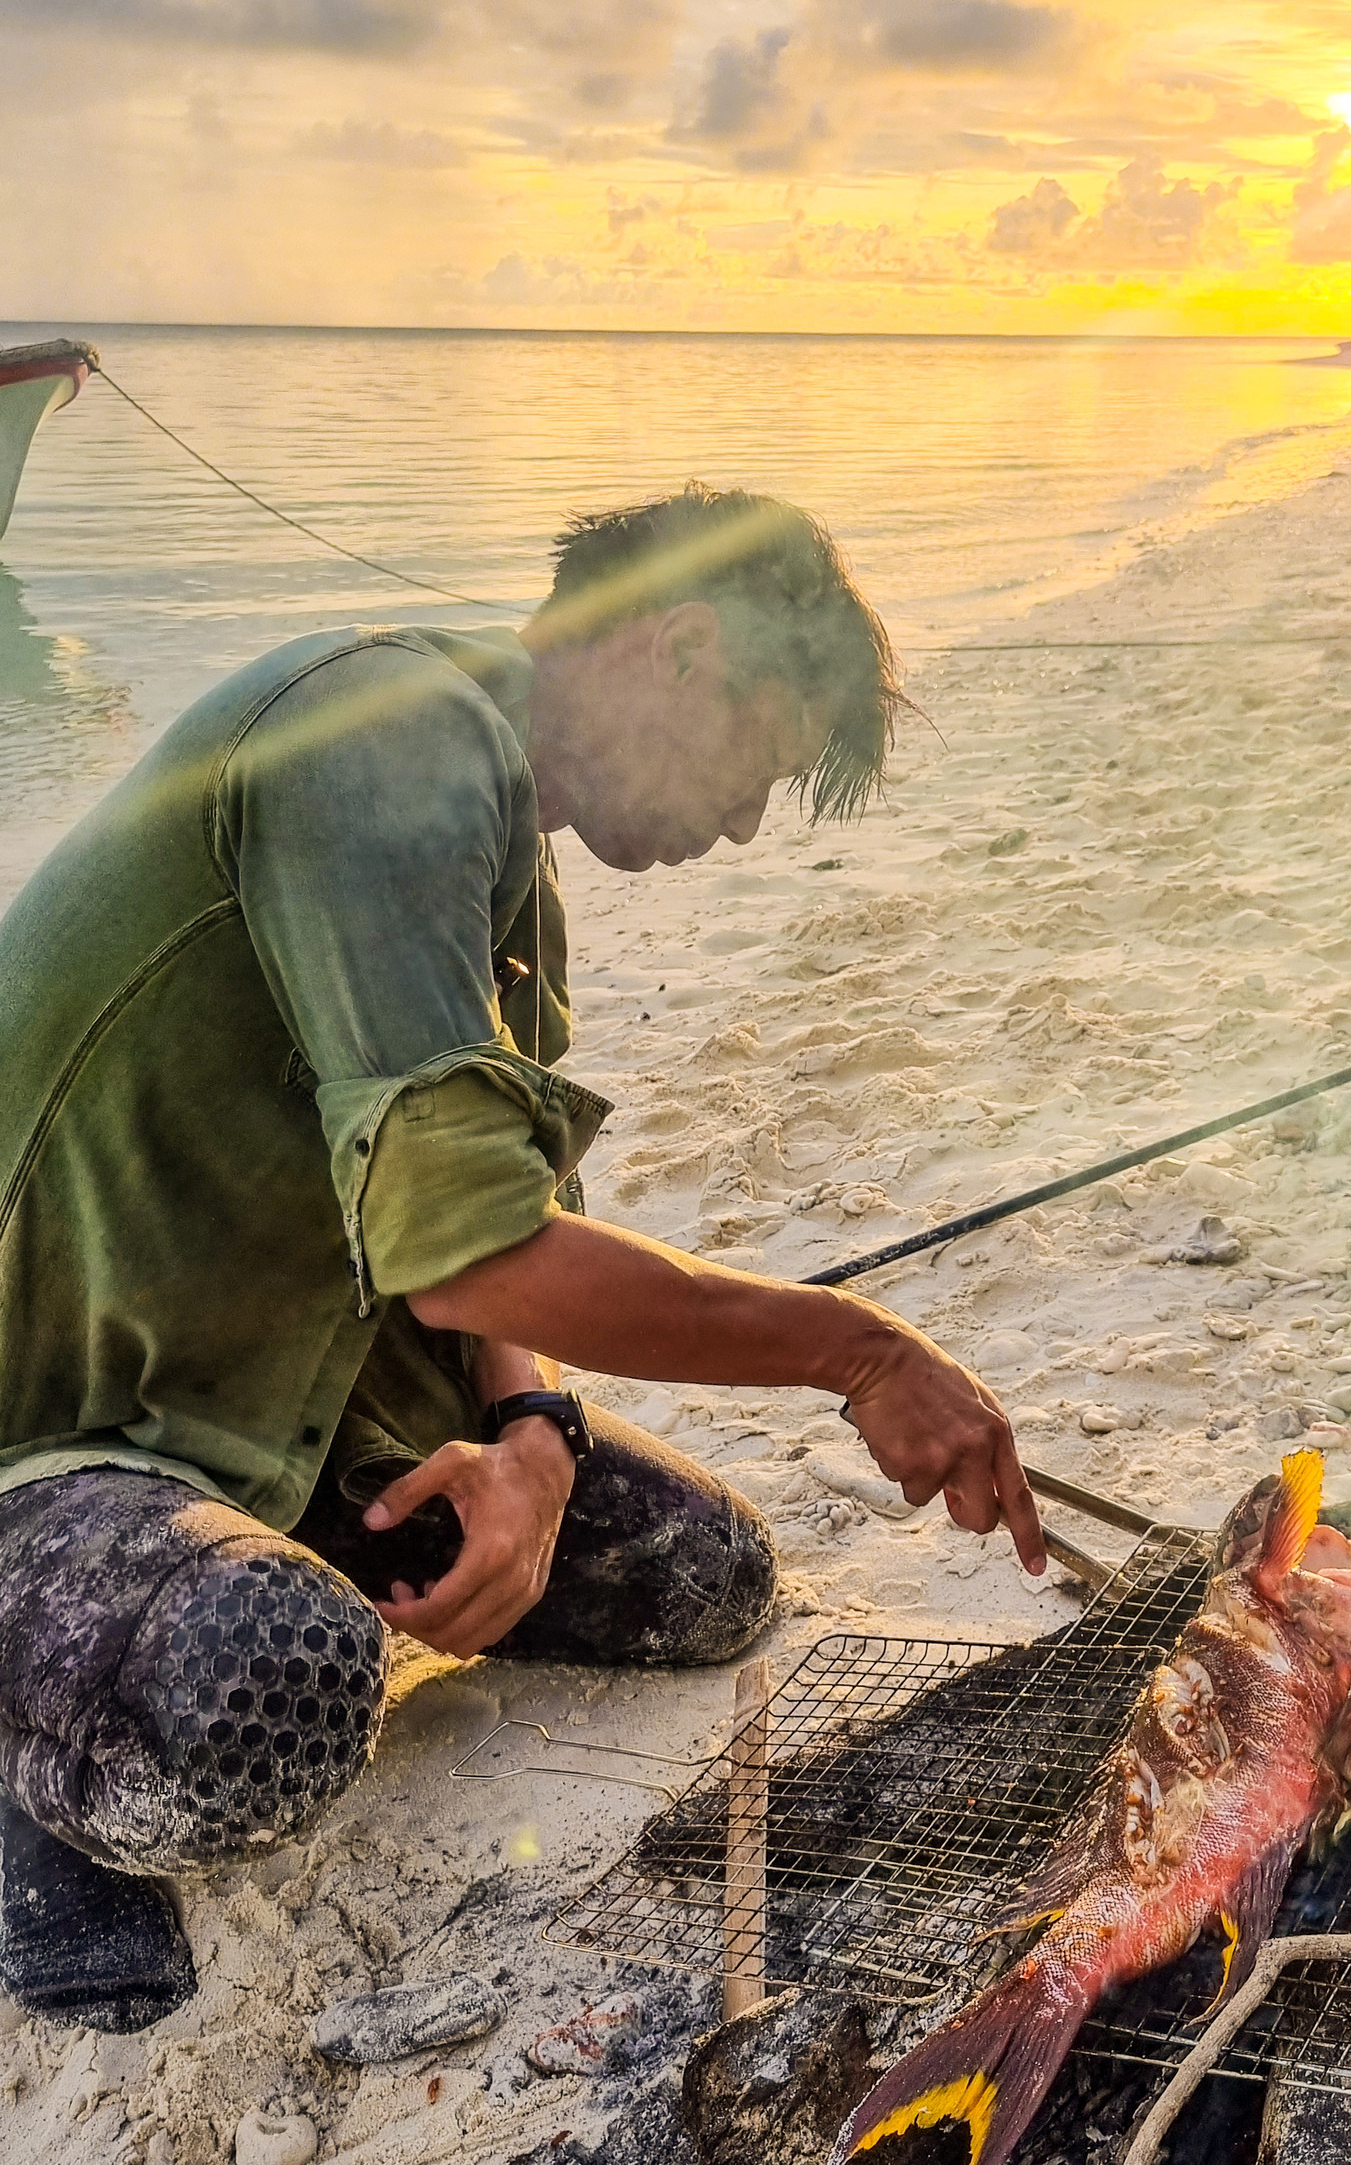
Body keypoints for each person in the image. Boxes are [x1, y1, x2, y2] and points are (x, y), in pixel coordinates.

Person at [0, 484, 1044, 2031]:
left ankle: (206, 1587)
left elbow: (496, 1241)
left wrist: (531, 1436)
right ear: (683, 648)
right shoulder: (384, 735)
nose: (744, 823)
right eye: (754, 768)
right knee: (266, 1687)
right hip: (71, 1413)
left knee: (704, 1578)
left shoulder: (506, 866)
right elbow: (478, 1256)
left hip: (307, 1391)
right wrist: (860, 1349)